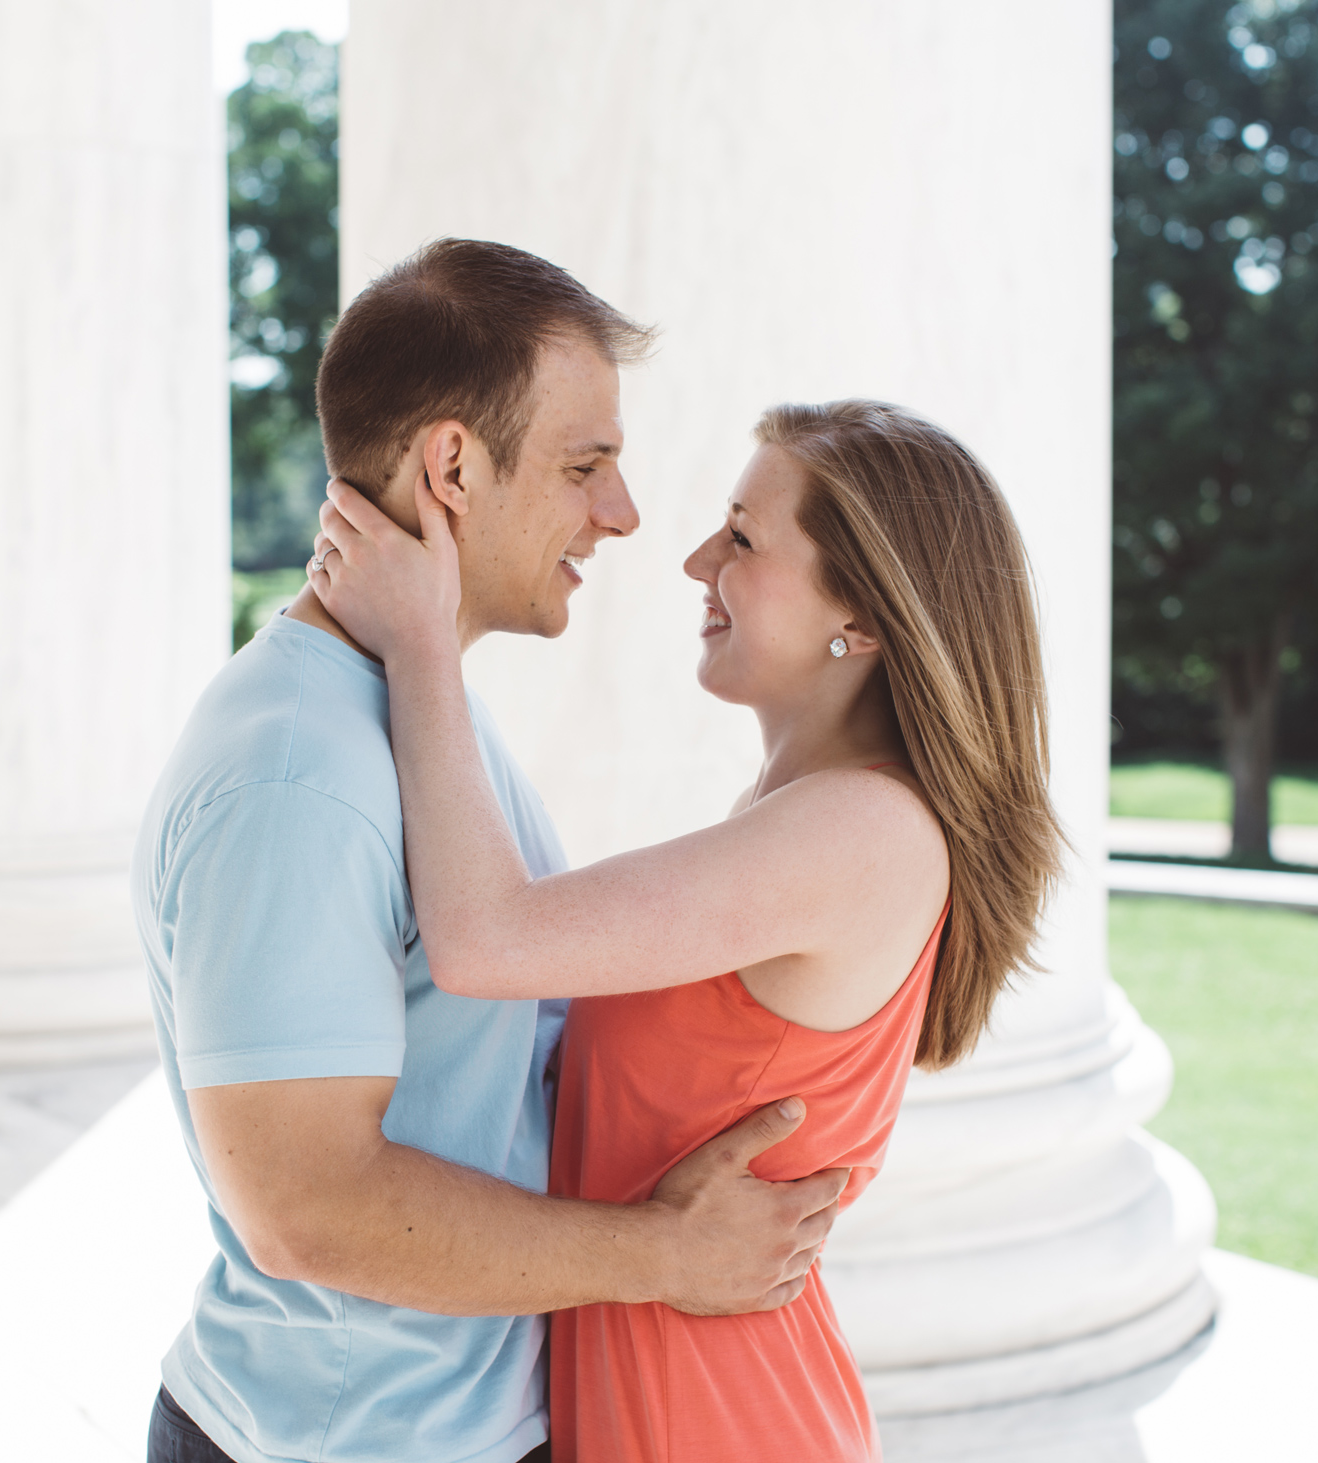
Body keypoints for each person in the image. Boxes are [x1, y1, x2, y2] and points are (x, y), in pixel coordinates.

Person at [131, 239, 849, 1463]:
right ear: (452, 464)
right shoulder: (298, 774)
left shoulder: (407, 708)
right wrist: (669, 1255)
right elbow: (305, 1209)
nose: (621, 515)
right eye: (586, 466)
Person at [310, 397, 1065, 1461]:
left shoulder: (860, 830)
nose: (696, 560)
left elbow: (484, 939)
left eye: (745, 538)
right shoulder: (812, 811)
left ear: (868, 613)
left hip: (721, 1417)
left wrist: (420, 641)